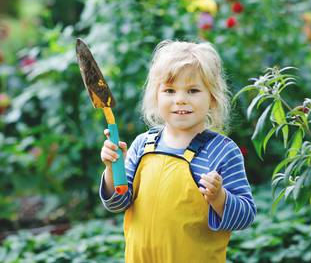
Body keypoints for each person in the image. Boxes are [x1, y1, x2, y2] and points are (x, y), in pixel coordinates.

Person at [99, 40, 256, 262]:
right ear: (156, 96)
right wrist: (111, 170)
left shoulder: (221, 151)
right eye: (170, 90)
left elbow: (245, 217)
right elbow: (118, 203)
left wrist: (219, 197)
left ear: (212, 98)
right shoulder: (143, 145)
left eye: (192, 90)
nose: (180, 99)